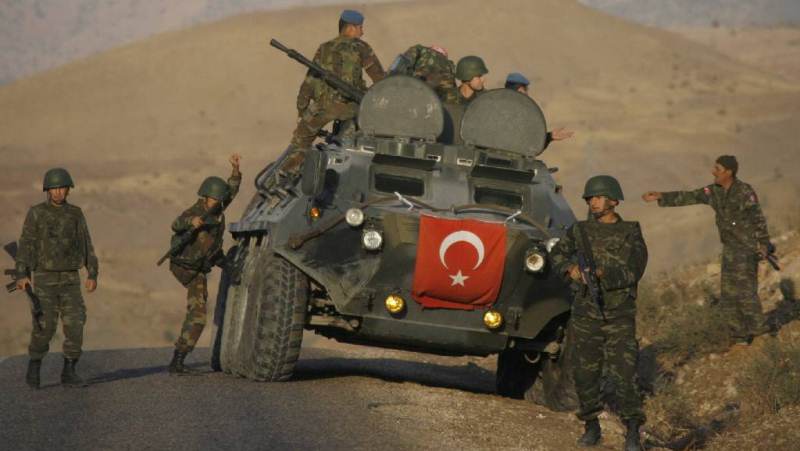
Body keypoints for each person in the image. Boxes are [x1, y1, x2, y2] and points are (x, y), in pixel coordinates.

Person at [549, 175, 647, 450]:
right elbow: (556, 254)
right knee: (584, 374)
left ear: (614, 201)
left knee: (624, 374)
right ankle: (591, 426)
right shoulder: (579, 231)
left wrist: (605, 275)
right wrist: (570, 269)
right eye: (590, 198)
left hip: (619, 315)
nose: (594, 202)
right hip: (586, 314)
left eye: (599, 197)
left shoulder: (630, 232)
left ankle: (633, 431)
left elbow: (635, 269)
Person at [642, 155, 772, 344]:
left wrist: (764, 243)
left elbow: (757, 217)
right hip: (730, 249)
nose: (713, 172)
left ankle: (760, 332)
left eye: (717, 169)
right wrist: (662, 196)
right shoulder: (713, 191)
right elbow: (690, 196)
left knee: (746, 292)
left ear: (729, 172)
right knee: (729, 294)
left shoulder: (745, 191)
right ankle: (739, 335)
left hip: (747, 248)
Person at [15, 168, 99, 389]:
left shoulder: (75, 214)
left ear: (68, 189)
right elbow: (26, 244)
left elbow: (86, 244)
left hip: (70, 279)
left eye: (62, 188)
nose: (59, 192)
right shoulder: (36, 213)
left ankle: (69, 371)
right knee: (45, 327)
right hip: (45, 279)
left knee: (76, 325)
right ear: (47, 190)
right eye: (54, 188)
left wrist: (92, 273)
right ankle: (35, 363)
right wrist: (22, 274)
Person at [167, 154, 242, 374]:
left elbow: (231, 192)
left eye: (219, 201)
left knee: (198, 314)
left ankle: (178, 360)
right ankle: (178, 359)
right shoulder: (195, 212)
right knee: (198, 315)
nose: (218, 203)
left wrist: (235, 171)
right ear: (206, 197)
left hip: (203, 264)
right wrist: (191, 222)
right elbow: (176, 224)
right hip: (186, 268)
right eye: (215, 200)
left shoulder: (216, 209)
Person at [290, 9, 385, 149]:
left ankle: (293, 163)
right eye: (360, 28)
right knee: (352, 144)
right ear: (351, 28)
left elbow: (309, 82)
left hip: (322, 107)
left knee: (298, 146)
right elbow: (380, 79)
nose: (362, 32)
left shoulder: (324, 48)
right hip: (352, 108)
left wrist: (302, 111)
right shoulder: (362, 47)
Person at [504, 72, 574, 147]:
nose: (527, 94)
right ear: (520, 90)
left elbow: (528, 145)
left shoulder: (497, 107)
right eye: (525, 90)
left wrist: (549, 137)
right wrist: (548, 137)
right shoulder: (518, 114)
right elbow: (528, 147)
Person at [392, 44, 458, 103]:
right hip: (435, 99)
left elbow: (399, 67)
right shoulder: (449, 65)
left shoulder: (420, 49)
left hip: (414, 90)